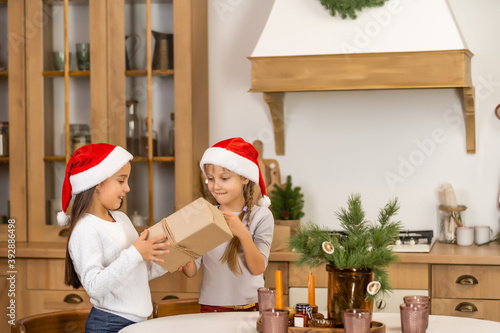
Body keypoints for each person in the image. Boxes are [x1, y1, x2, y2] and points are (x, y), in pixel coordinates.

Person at [59, 143, 169, 333]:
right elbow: (94, 286)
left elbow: (138, 272)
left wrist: (169, 259)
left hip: (139, 323)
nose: (127, 188)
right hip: (110, 325)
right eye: (121, 180)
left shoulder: (121, 219)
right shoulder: (86, 228)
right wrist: (135, 253)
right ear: (98, 183)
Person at [182, 137, 274, 312]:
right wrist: (182, 255)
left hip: (251, 308)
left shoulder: (261, 216)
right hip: (212, 309)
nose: (215, 186)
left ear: (244, 178)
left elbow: (258, 268)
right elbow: (191, 271)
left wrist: (243, 233)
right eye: (210, 179)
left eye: (224, 178)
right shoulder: (204, 216)